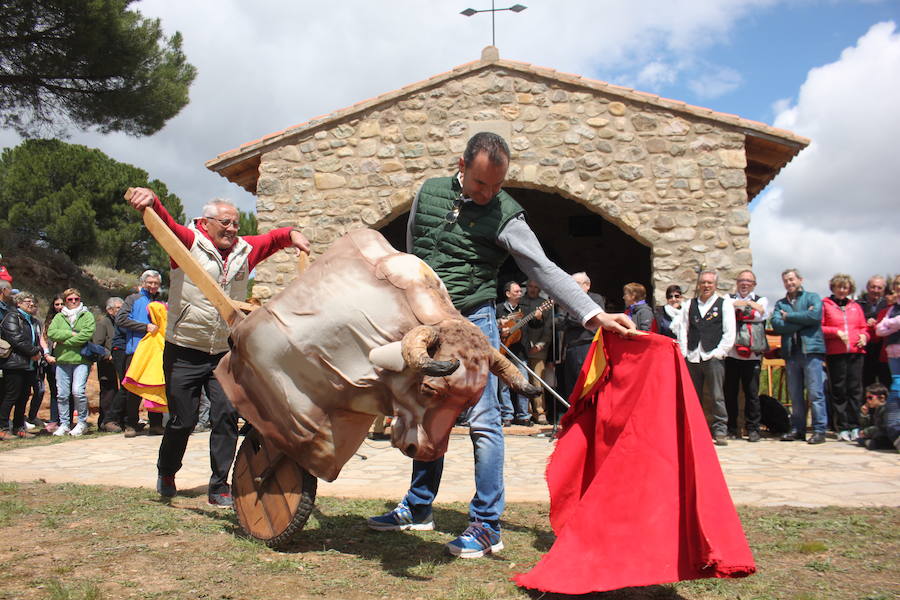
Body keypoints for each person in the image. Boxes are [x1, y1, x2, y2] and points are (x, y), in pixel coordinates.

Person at [366, 132, 635, 559]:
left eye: (497, 185)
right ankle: (418, 507)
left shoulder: (508, 215)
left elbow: (543, 268)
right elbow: (416, 247)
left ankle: (487, 525)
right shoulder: (430, 191)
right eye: (479, 184)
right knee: (428, 406)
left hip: (475, 320)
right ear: (461, 165)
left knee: (484, 419)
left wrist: (592, 313)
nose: (489, 193)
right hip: (429, 320)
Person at [126, 187, 310, 508]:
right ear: (206, 222)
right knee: (182, 420)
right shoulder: (187, 242)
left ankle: (219, 485)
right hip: (183, 349)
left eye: (236, 223)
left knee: (225, 417)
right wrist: (152, 200)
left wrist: (293, 235)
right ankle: (167, 471)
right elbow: (164, 224)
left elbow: (272, 238)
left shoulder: (243, 250)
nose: (232, 229)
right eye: (226, 222)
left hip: (224, 351)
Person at [676, 270, 735, 446]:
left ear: (715, 285)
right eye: (703, 282)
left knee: (717, 395)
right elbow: (683, 330)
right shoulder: (689, 304)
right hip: (693, 356)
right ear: (699, 284)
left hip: (713, 355)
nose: (706, 286)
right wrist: (684, 353)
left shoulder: (724, 304)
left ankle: (720, 430)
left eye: (709, 282)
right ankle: (695, 429)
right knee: (693, 396)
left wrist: (719, 352)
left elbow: (729, 331)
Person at [771, 268, 827, 445]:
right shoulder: (781, 303)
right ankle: (798, 429)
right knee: (795, 394)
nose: (789, 283)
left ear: (800, 280)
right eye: (786, 280)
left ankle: (819, 430)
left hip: (810, 350)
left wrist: (790, 317)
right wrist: (803, 321)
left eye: (792, 279)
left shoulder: (812, 297)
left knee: (815, 392)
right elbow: (778, 325)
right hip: (791, 352)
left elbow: (815, 315)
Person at [113, 270, 163, 437]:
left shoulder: (161, 302)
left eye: (156, 283)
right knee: (133, 390)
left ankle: (156, 424)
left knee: (155, 387)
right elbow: (121, 320)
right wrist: (144, 327)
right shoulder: (132, 299)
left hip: (155, 353)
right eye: (150, 282)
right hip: (135, 351)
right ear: (143, 283)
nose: (153, 286)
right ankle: (130, 424)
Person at [821, 273, 868, 441]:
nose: (842, 290)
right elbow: (821, 328)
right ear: (833, 287)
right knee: (839, 390)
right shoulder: (826, 305)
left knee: (855, 390)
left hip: (856, 352)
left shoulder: (855, 306)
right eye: (839, 287)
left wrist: (864, 336)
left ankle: (855, 425)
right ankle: (842, 427)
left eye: (845, 288)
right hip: (836, 353)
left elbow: (863, 327)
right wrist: (836, 332)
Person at [555, 272, 607, 422]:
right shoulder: (568, 300)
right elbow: (562, 322)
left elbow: (590, 318)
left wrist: (573, 318)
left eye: (576, 284)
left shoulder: (595, 298)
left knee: (585, 382)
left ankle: (587, 417)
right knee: (571, 384)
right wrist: (573, 318)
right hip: (570, 347)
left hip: (586, 345)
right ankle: (574, 416)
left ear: (587, 285)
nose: (573, 287)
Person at [723, 270, 768, 442]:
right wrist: (749, 307)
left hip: (752, 355)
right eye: (741, 280)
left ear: (754, 284)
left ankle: (753, 429)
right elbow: (728, 309)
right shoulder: (728, 298)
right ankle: (732, 428)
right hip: (732, 354)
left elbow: (760, 315)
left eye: (748, 281)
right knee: (730, 393)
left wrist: (740, 307)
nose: (744, 284)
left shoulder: (762, 299)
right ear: (737, 282)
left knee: (752, 394)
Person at [47, 288, 95, 436]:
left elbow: (86, 334)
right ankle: (65, 423)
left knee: (77, 391)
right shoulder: (59, 317)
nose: (73, 302)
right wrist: (71, 334)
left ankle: (81, 422)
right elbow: (51, 333)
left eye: (76, 299)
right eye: (70, 299)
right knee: (61, 394)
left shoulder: (87, 315)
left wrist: (65, 341)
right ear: (65, 301)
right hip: (62, 360)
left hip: (81, 360)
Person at [0, 292, 43, 440]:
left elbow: (36, 340)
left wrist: (38, 351)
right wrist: (34, 352)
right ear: (18, 303)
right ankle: (3, 428)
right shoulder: (12, 316)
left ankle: (19, 427)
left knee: (23, 397)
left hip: (28, 365)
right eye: (27, 301)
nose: (31, 304)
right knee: (11, 396)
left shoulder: (32, 320)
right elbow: (16, 338)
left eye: (32, 301)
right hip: (14, 364)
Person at [496, 281, 530, 426]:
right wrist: (500, 329)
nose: (519, 293)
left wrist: (539, 317)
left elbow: (536, 326)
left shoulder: (525, 309)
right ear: (508, 294)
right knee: (504, 384)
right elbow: (490, 325)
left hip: (520, 351)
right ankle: (507, 415)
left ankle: (523, 415)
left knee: (523, 382)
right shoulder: (498, 308)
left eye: (520, 291)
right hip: (503, 350)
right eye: (516, 291)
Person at [520, 280, 552, 425]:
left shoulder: (544, 304)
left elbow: (548, 328)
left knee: (537, 380)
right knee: (520, 380)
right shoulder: (520, 301)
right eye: (530, 287)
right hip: (519, 346)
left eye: (536, 287)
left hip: (537, 349)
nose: (533, 290)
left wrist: (540, 345)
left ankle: (539, 412)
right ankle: (523, 413)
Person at [874, 274, 900, 451]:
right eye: (897, 284)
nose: (898, 286)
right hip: (893, 354)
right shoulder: (893, 308)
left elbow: (890, 324)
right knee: (896, 391)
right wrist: (892, 324)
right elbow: (879, 330)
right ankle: (895, 433)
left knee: (896, 391)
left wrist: (890, 324)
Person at [93, 297, 124, 431]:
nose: (120, 310)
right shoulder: (103, 323)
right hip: (107, 364)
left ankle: (120, 420)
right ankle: (105, 422)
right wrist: (107, 355)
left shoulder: (122, 322)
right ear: (109, 310)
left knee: (120, 392)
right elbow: (96, 344)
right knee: (108, 393)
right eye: (117, 308)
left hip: (120, 362)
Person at [857, 275, 891, 387]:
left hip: (883, 348)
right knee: (865, 380)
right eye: (873, 287)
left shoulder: (889, 305)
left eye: (879, 288)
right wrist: (866, 320)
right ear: (867, 288)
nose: (876, 290)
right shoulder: (857, 304)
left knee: (885, 381)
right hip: (863, 348)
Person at [41, 295, 65, 432]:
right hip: (51, 359)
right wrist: (47, 354)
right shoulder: (48, 322)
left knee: (68, 391)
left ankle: (66, 420)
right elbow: (43, 338)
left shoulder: (71, 318)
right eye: (57, 304)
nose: (60, 306)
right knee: (55, 391)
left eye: (62, 303)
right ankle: (54, 419)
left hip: (67, 358)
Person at [856, 383, 893, 450]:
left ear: (882, 397)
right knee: (861, 439)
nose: (867, 400)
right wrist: (864, 415)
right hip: (883, 435)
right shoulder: (877, 409)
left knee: (872, 443)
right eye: (866, 398)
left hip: (890, 436)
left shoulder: (887, 409)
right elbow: (866, 426)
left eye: (870, 398)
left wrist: (867, 432)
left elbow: (884, 428)